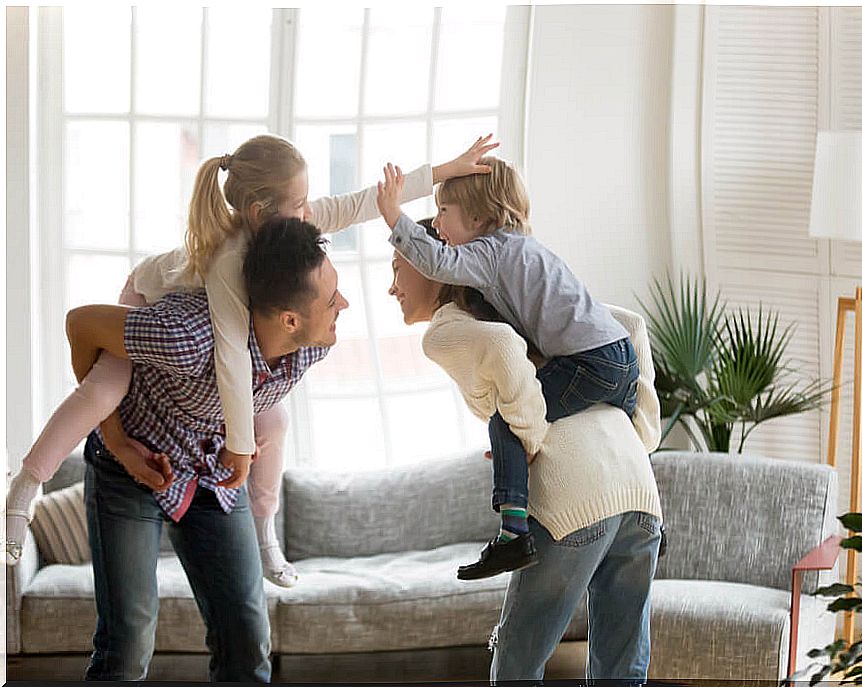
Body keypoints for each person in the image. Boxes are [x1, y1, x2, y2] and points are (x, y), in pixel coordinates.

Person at [4, 133, 498, 587]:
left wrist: (445, 169)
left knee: (276, 419)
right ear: (261, 211)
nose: (309, 211)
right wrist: (239, 446)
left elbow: (360, 203)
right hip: (143, 296)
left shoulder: (288, 225)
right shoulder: (229, 264)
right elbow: (232, 362)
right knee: (104, 391)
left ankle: (265, 535)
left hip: (204, 341)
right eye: (299, 202)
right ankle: (27, 485)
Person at [66, 217, 344, 681]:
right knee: (128, 643)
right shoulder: (184, 339)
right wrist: (115, 439)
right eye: (333, 300)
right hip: (130, 466)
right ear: (290, 318)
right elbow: (80, 325)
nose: (345, 306)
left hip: (212, 470)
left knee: (247, 637)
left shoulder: (314, 345)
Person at [387, 231, 665, 683]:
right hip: (637, 490)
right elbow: (630, 325)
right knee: (621, 663)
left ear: (432, 265)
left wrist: (529, 435)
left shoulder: (447, 329)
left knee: (517, 660)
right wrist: (643, 432)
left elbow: (501, 349)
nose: (392, 286)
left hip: (573, 502)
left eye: (398, 268)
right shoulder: (517, 304)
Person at [376, 158, 639, 580]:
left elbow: (438, 263)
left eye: (444, 212)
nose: (439, 223)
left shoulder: (490, 252)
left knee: (507, 423)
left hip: (589, 362)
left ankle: (512, 534)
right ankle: (656, 529)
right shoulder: (526, 247)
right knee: (619, 441)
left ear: (479, 217)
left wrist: (393, 215)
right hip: (621, 355)